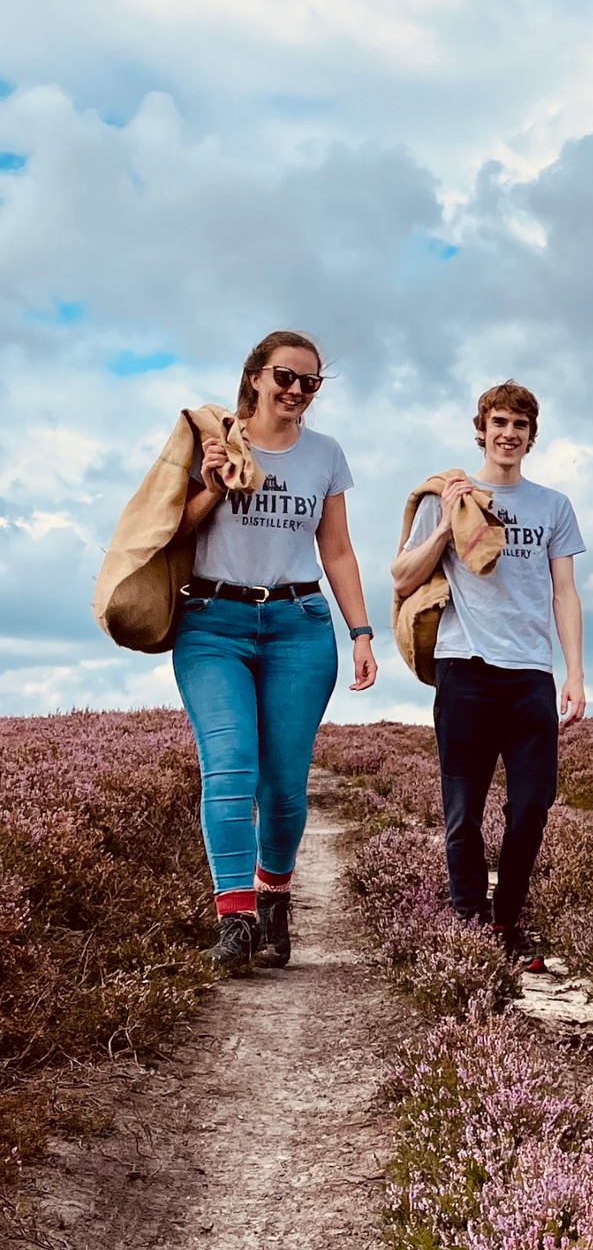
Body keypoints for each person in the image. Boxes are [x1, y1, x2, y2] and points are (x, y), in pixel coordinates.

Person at [173, 330, 378, 972]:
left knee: (285, 786)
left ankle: (274, 896)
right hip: (212, 622)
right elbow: (167, 529)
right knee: (229, 768)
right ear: (256, 377)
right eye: (284, 377)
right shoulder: (214, 437)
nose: (295, 390)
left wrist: (362, 632)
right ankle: (234, 921)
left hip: (299, 623)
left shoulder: (325, 454)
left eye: (308, 382)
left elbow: (337, 549)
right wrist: (210, 485)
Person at [391, 382, 586, 970]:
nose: (508, 433)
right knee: (463, 812)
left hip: (530, 674)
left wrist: (574, 671)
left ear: (531, 434)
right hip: (465, 669)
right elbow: (401, 576)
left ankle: (506, 920)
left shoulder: (553, 505)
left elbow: (565, 592)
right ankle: (471, 925)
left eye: (519, 425)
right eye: (498, 422)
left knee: (532, 806)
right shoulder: (446, 496)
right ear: (482, 429)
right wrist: (450, 525)